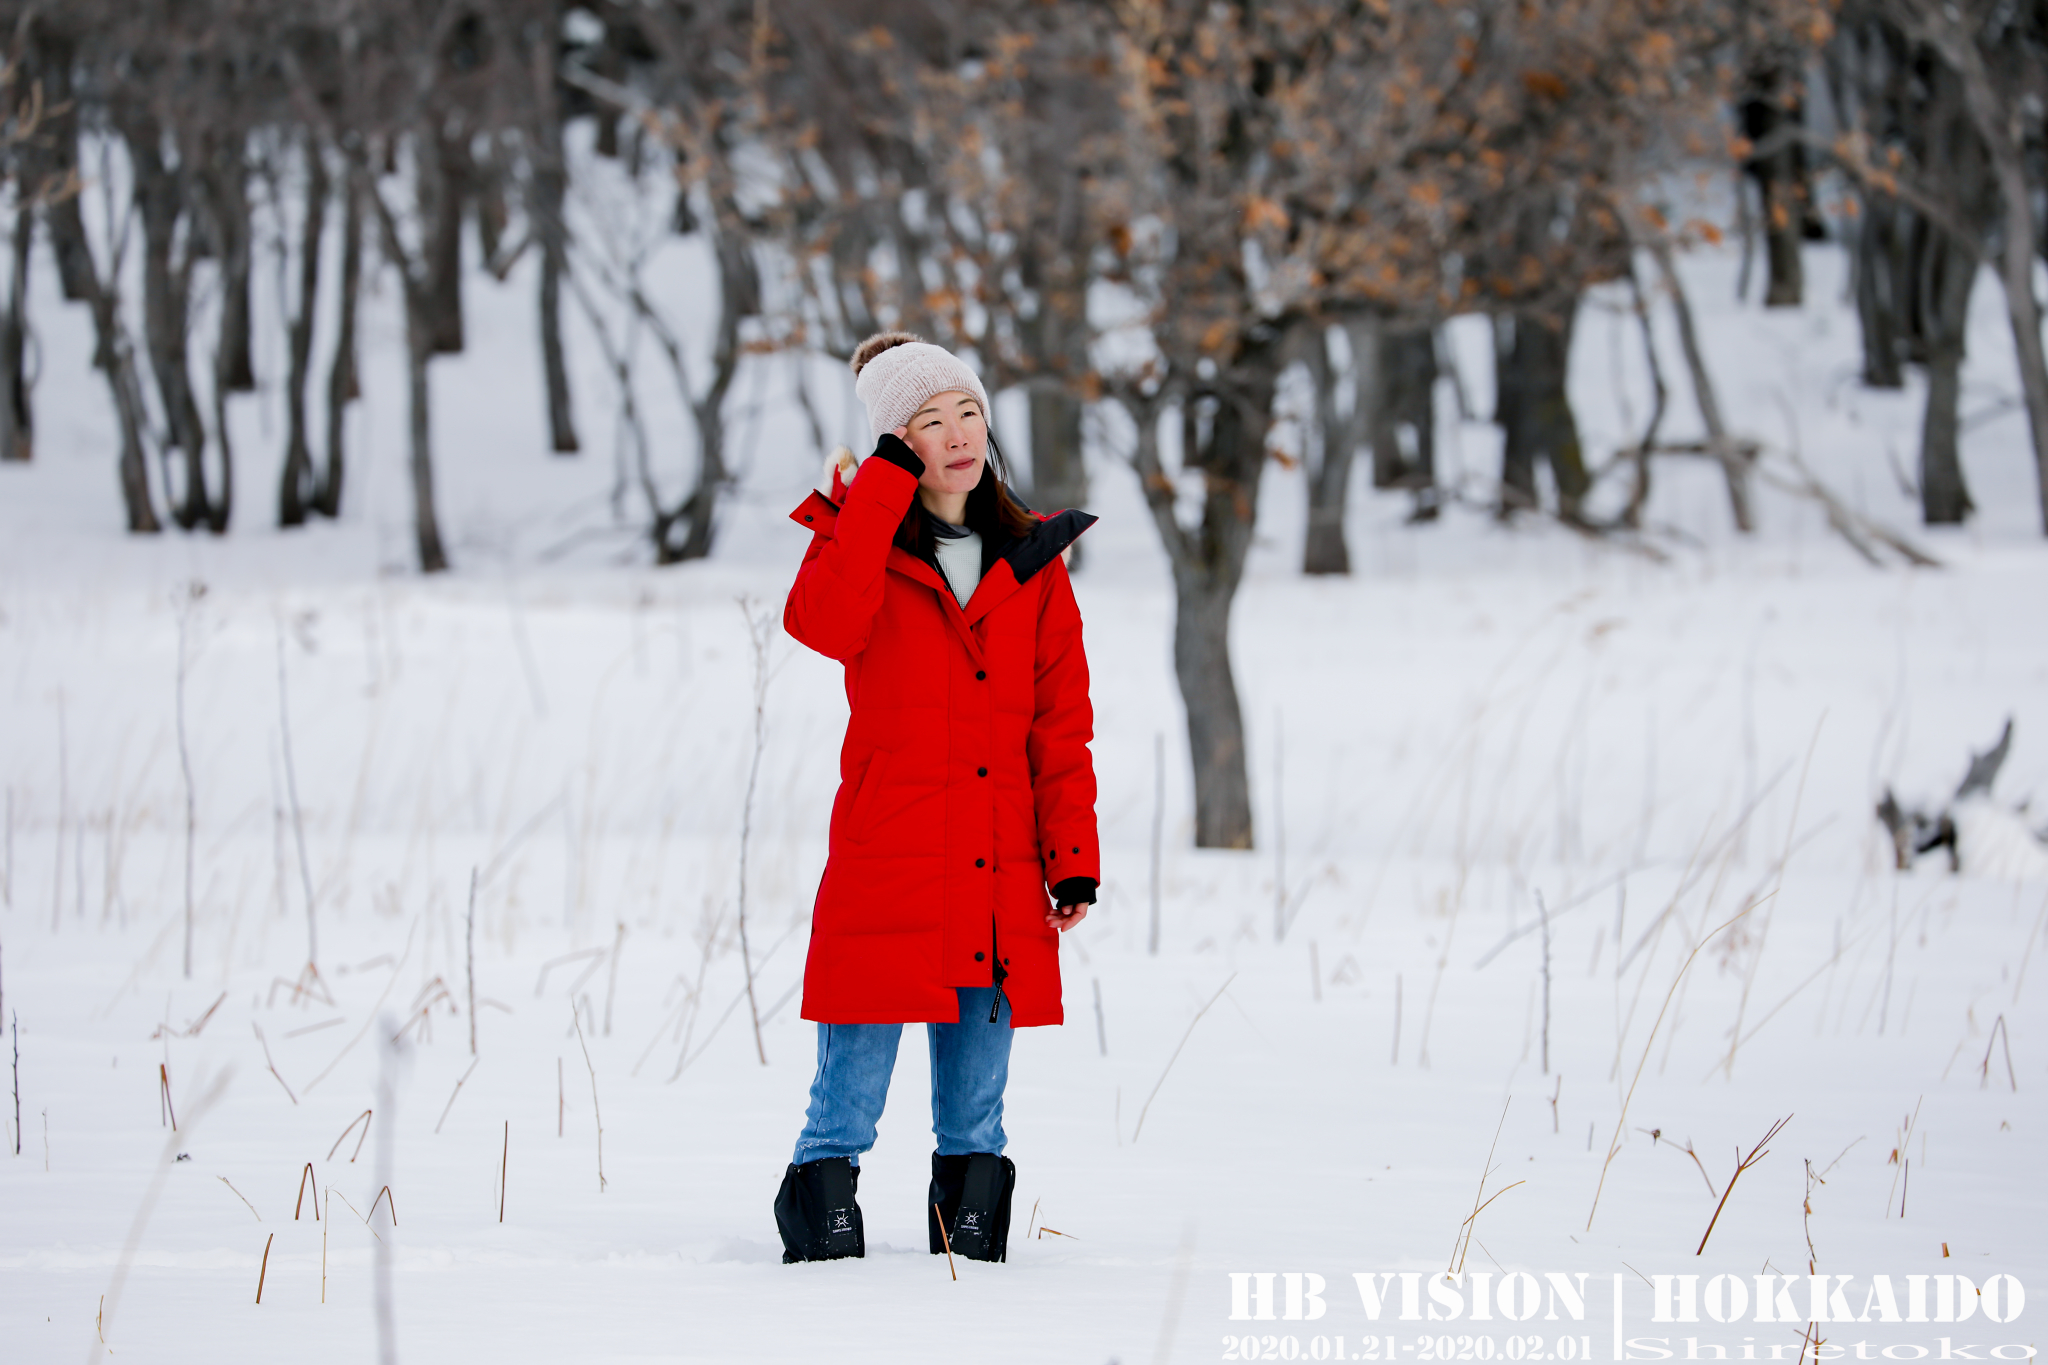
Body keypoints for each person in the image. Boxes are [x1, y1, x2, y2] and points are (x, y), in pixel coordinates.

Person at [773, 331, 1100, 1266]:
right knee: (847, 1099)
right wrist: (872, 493)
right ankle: (823, 1257)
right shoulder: (859, 545)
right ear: (893, 443)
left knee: (976, 1108)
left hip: (998, 873)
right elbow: (827, 624)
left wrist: (1071, 857)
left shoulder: (1032, 559)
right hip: (889, 861)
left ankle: (970, 1267)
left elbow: (1059, 726)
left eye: (967, 412)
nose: (957, 435)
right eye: (927, 421)